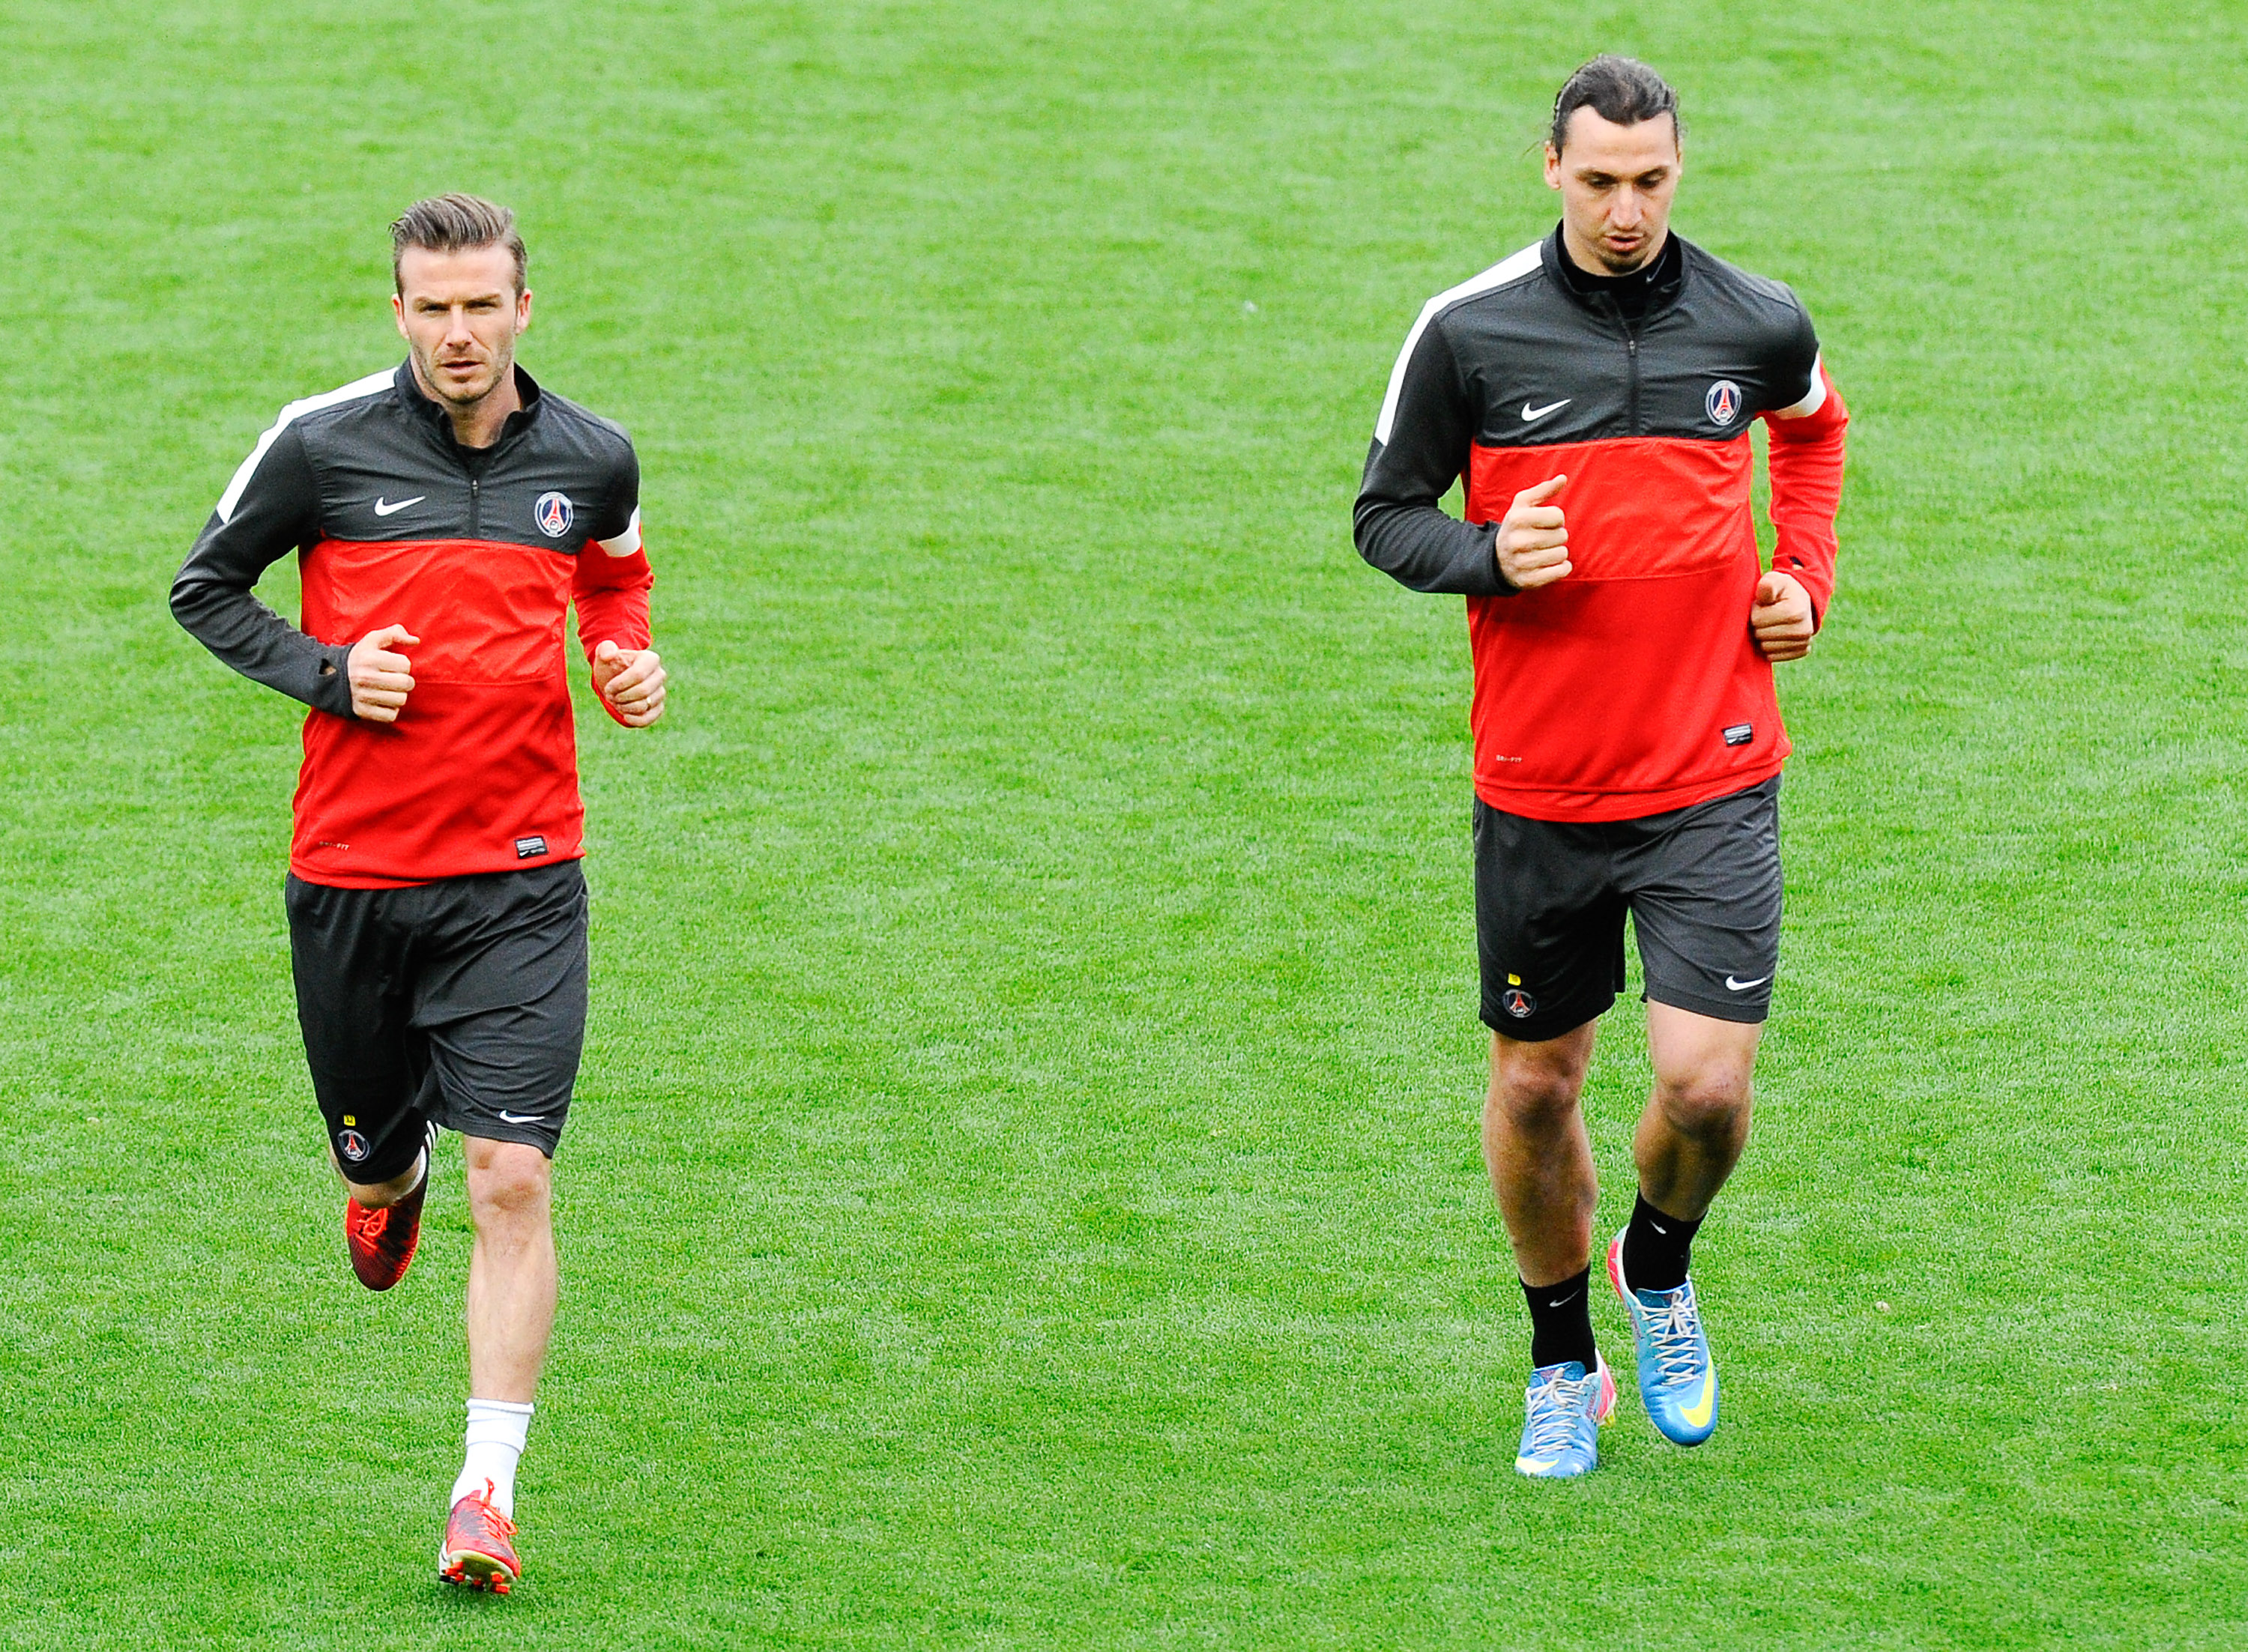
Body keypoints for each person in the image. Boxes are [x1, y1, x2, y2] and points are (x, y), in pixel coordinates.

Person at [1353, 57, 1848, 1479]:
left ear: (1678, 169)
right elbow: (1385, 516)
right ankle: (1562, 1359)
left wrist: (1801, 578)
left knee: (1703, 1091)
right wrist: (1487, 558)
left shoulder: (1755, 321)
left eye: (1650, 181)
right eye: (1598, 182)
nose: (1625, 210)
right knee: (1536, 1088)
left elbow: (1814, 432)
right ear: (1551, 168)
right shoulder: (1469, 332)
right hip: (1541, 789)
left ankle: (1660, 1265)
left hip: (1714, 770)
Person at [170, 194, 666, 1585]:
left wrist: (625, 662)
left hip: (521, 882)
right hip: (353, 881)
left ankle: (485, 1490)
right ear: (400, 313)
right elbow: (205, 588)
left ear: (524, 308)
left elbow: (615, 578)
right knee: (384, 1164)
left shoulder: (591, 456)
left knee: (515, 1178)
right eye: (432, 308)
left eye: (482, 305)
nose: (460, 332)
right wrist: (332, 673)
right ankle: (387, 1173)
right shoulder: (320, 443)